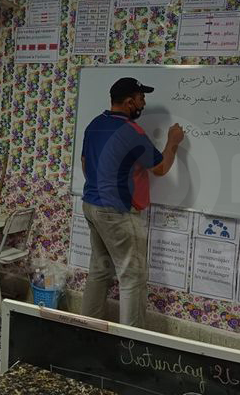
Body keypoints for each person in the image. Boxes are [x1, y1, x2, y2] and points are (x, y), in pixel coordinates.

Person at [80, 77, 184, 328]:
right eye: (141, 98)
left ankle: (86, 331)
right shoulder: (131, 131)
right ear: (129, 102)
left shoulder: (95, 123)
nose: (143, 103)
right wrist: (173, 142)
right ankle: (130, 344)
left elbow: (84, 164)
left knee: (99, 271)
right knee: (133, 278)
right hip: (117, 212)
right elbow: (160, 168)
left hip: (91, 205)